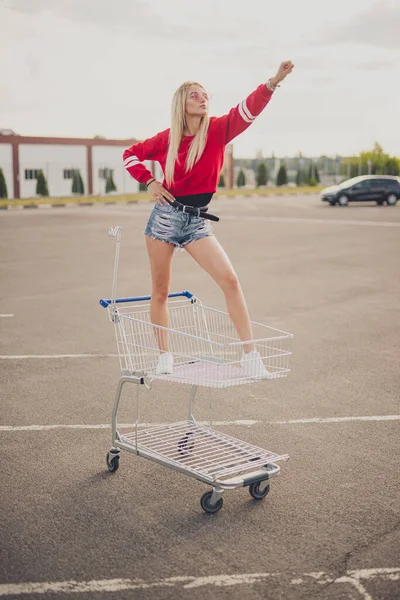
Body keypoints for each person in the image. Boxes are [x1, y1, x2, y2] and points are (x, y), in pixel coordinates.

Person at [123, 61, 294, 376]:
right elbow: (130, 154)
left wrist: (272, 82)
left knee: (230, 281)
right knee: (160, 290)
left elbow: (247, 111)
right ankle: (164, 356)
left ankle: (250, 356)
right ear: (182, 105)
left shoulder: (218, 129)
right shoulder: (166, 139)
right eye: (195, 96)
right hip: (164, 220)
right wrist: (149, 181)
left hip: (198, 222)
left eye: (205, 95)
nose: (203, 99)